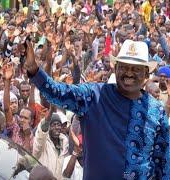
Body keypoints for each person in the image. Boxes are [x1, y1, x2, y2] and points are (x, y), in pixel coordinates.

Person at [24, 39, 169, 179]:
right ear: (116, 68)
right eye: (124, 67)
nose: (129, 73)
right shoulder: (94, 96)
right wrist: (35, 71)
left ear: (146, 74)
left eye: (136, 69)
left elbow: (163, 162)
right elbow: (58, 92)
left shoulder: (156, 111)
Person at [33, 106, 69, 180]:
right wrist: (51, 110)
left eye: (58, 124)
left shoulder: (64, 143)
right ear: (49, 127)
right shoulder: (42, 143)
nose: (57, 127)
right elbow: (43, 129)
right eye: (54, 125)